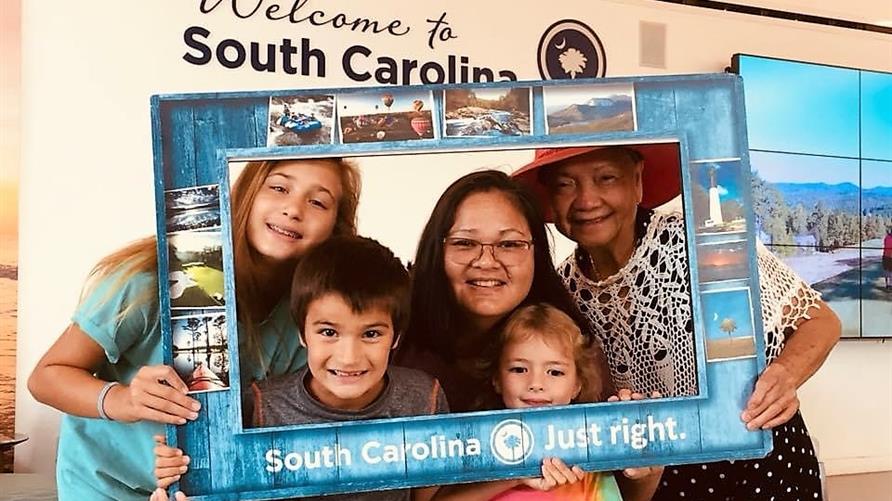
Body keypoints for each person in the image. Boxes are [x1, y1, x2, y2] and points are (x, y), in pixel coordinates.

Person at [513, 145, 842, 500]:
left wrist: (785, 375)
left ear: (637, 181)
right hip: (657, 481)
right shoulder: (564, 294)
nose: (587, 200)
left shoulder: (705, 243)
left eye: (606, 178)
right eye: (565, 185)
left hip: (763, 462)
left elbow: (820, 321)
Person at [27, 157, 361, 501]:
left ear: (336, 228)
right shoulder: (150, 280)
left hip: (208, 490)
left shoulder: (311, 318)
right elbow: (46, 377)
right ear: (245, 195)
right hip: (105, 487)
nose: (293, 208)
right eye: (278, 188)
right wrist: (123, 399)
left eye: (318, 202)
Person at [396, 170, 660, 501]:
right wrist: (517, 467)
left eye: (509, 244)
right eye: (465, 243)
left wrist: (645, 465)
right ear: (437, 251)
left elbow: (620, 492)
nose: (487, 261)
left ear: (536, 253)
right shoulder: (394, 351)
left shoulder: (568, 343)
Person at [154, 235, 447, 501]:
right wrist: (180, 467)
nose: (348, 358)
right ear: (302, 334)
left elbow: (424, 497)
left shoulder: (423, 398)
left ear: (395, 337)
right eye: (329, 332)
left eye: (371, 334)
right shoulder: (259, 406)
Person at [433, 303, 624, 500]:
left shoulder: (590, 453)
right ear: (497, 379)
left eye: (555, 372)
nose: (536, 384)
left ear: (577, 385)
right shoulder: (476, 449)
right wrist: (514, 475)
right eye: (519, 369)